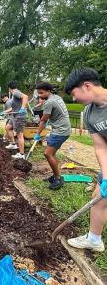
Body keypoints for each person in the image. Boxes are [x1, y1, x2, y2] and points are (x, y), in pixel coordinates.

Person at [65, 67, 107, 252]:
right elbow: (101, 147)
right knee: (98, 198)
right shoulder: (90, 113)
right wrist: (105, 177)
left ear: (87, 86)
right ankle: (94, 239)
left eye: (74, 94)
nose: (74, 100)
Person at [33, 82, 71, 190]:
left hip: (60, 130)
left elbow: (43, 120)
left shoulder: (49, 102)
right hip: (64, 129)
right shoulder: (57, 97)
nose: (40, 95)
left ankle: (58, 178)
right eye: (38, 93)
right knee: (52, 154)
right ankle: (55, 175)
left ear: (49, 91)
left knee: (47, 154)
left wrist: (37, 134)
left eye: (42, 93)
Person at [5, 81, 28, 159]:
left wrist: (22, 108)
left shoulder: (15, 92)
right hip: (15, 115)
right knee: (8, 127)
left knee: (19, 135)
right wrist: (5, 112)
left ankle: (21, 154)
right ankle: (13, 144)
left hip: (20, 116)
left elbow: (25, 97)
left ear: (9, 88)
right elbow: (14, 107)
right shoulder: (14, 94)